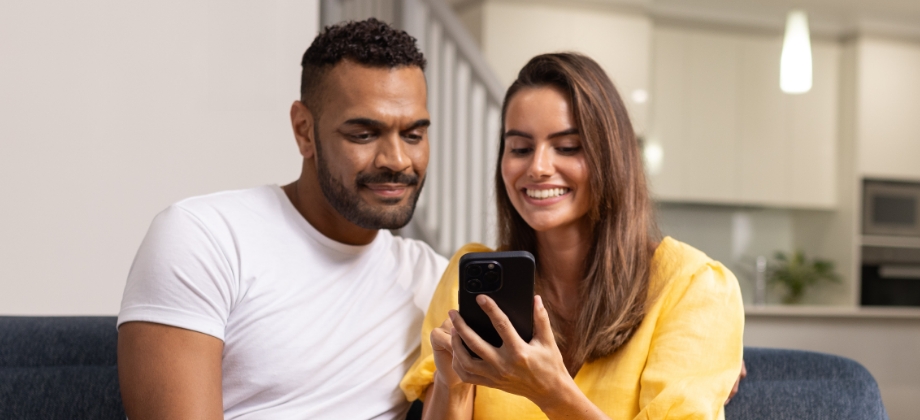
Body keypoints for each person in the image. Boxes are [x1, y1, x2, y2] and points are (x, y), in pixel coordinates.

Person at [117, 19, 447, 420]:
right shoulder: (202, 237)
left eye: (413, 134)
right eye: (363, 134)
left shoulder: (433, 281)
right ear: (304, 131)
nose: (396, 160)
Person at [400, 53, 745, 419]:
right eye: (519, 148)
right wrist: (452, 381)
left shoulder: (693, 287)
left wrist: (551, 393)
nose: (538, 167)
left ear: (611, 157)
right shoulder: (469, 278)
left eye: (567, 147)